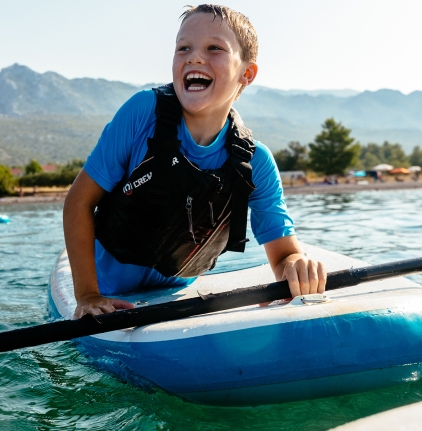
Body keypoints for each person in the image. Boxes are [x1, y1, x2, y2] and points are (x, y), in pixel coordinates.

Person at [64, 4, 327, 319]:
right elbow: (78, 203)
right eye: (183, 48)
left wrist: (296, 265)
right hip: (105, 288)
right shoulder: (141, 113)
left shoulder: (256, 162)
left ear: (247, 73)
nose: (194, 57)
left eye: (214, 48)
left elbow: (284, 254)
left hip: (175, 294)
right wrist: (88, 295)